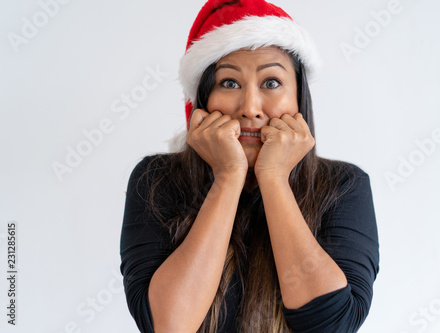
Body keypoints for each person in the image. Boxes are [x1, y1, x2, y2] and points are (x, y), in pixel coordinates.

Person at [120, 0, 379, 332]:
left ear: (298, 96)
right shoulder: (157, 179)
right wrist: (228, 177)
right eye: (229, 83)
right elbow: (170, 325)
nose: (250, 108)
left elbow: (331, 326)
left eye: (271, 82)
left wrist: (273, 179)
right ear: (202, 98)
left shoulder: (345, 185)